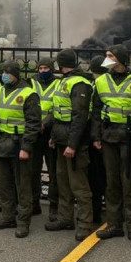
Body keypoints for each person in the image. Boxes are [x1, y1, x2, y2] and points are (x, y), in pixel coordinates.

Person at [92, 44, 131, 247]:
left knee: (130, 185)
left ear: (121, 59)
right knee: (112, 184)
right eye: (106, 55)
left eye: (110, 56)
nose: (107, 58)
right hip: (109, 137)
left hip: (130, 139)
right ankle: (114, 225)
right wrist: (96, 136)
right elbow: (96, 111)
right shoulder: (101, 81)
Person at [0, 61, 41, 238]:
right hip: (2, 141)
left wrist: (26, 147)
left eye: (8, 73)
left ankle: (23, 221)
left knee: (22, 185)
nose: (4, 75)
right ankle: (8, 216)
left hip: (19, 143)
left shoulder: (28, 94)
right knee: (4, 183)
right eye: (2, 72)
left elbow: (33, 124)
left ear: (16, 74)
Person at [46, 49, 94, 241]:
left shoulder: (79, 83)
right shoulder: (64, 81)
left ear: (60, 64)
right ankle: (65, 218)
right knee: (62, 182)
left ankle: (85, 224)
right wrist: (53, 136)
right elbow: (58, 112)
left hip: (74, 142)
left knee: (79, 185)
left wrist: (73, 145)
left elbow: (80, 117)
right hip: (60, 138)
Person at [30, 56, 60, 219]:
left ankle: (54, 207)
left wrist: (45, 123)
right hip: (34, 132)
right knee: (33, 171)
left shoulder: (58, 84)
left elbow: (58, 107)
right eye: (40, 68)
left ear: (52, 69)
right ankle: (34, 204)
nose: (43, 71)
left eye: (46, 68)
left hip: (51, 133)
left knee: (53, 172)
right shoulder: (31, 83)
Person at [87, 54, 108, 224]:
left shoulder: (95, 85)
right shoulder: (108, 84)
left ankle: (96, 213)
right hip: (108, 135)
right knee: (109, 176)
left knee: (96, 177)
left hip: (96, 136)